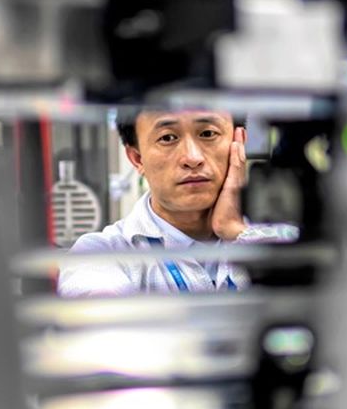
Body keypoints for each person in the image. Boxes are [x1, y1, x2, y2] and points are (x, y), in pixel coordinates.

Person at [58, 109, 297, 297]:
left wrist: (236, 232)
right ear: (137, 158)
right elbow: (104, 332)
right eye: (168, 138)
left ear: (238, 143)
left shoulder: (284, 239)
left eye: (207, 133)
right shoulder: (101, 253)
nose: (192, 158)